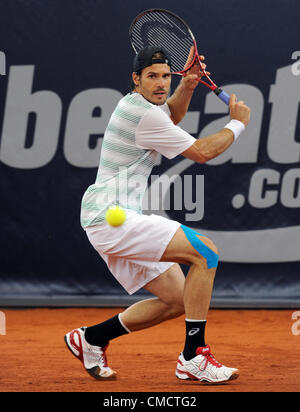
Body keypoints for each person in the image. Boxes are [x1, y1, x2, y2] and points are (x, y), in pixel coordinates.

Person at [64, 46, 250, 383]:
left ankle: (92, 338)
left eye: (166, 76)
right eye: (152, 77)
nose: (161, 83)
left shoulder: (142, 108)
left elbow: (173, 117)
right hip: (111, 216)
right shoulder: (144, 115)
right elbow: (201, 153)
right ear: (136, 79)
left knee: (181, 299)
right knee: (205, 252)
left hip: (110, 219)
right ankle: (193, 357)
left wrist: (189, 82)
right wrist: (237, 124)